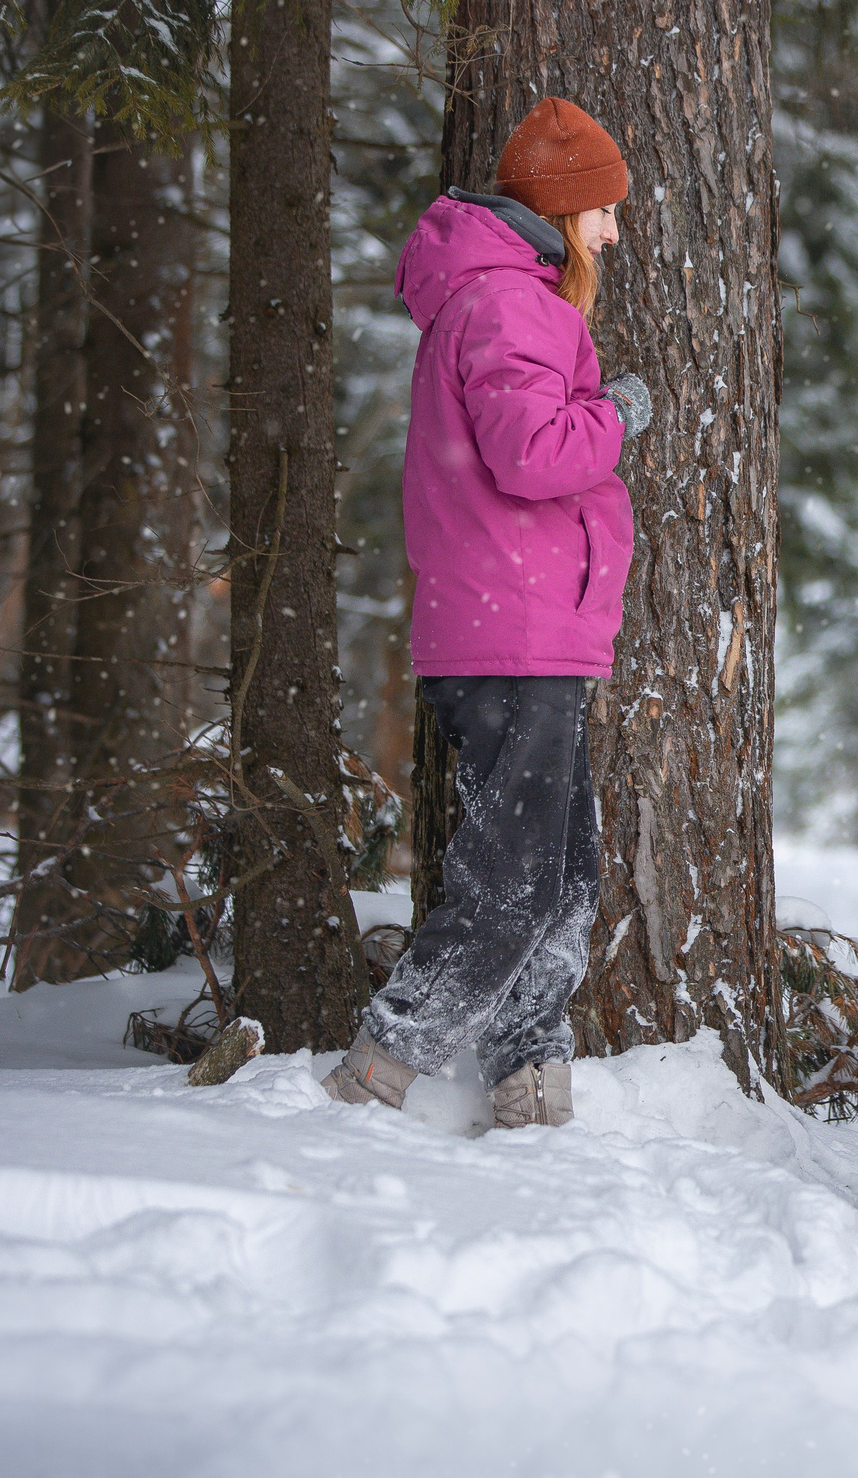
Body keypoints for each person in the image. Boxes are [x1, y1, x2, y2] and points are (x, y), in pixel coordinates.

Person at [322, 97, 653, 1130]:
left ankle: (527, 1074)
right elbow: (532, 455)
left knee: (560, 877)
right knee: (514, 881)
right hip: (514, 629)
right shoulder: (512, 306)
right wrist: (618, 413)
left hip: (530, 628)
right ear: (559, 210)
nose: (611, 231)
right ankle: (379, 1067)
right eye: (600, 209)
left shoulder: (506, 299)